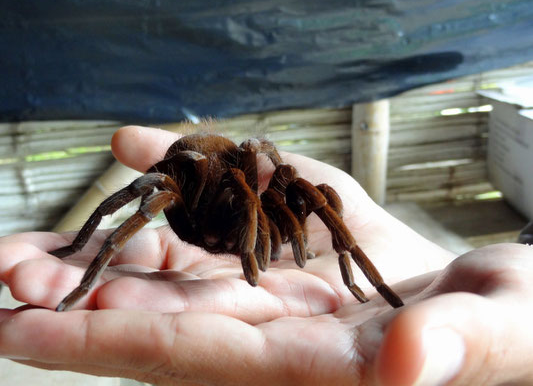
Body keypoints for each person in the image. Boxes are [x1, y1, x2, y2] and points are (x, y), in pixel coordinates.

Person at [0, 125, 532, 386]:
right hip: (202, 206)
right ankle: (78, 265)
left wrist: (361, 280)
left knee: (314, 193)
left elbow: (266, 160)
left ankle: (364, 281)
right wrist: (84, 248)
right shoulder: (197, 193)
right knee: (159, 188)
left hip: (245, 197)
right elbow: (222, 171)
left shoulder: (276, 194)